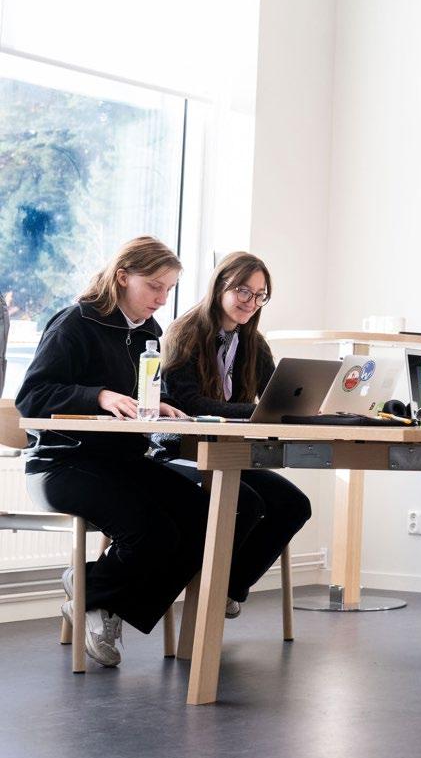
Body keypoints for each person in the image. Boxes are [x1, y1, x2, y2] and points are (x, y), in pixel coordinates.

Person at [16, 236, 208, 667]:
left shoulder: (149, 333)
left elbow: (138, 396)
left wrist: (155, 404)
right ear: (122, 277)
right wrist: (98, 395)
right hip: (61, 463)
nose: (161, 299)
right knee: (151, 529)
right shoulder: (75, 323)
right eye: (154, 286)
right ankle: (97, 597)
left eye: (169, 290)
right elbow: (32, 397)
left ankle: (96, 594)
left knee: (202, 516)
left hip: (119, 461)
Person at [161, 251, 311, 618]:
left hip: (229, 455)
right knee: (248, 503)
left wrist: (301, 409)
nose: (251, 302)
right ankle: (204, 588)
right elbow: (192, 404)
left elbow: (274, 398)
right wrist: (257, 413)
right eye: (243, 291)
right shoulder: (184, 333)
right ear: (219, 287)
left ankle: (227, 588)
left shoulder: (254, 343)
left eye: (260, 295)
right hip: (181, 453)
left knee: (293, 505)